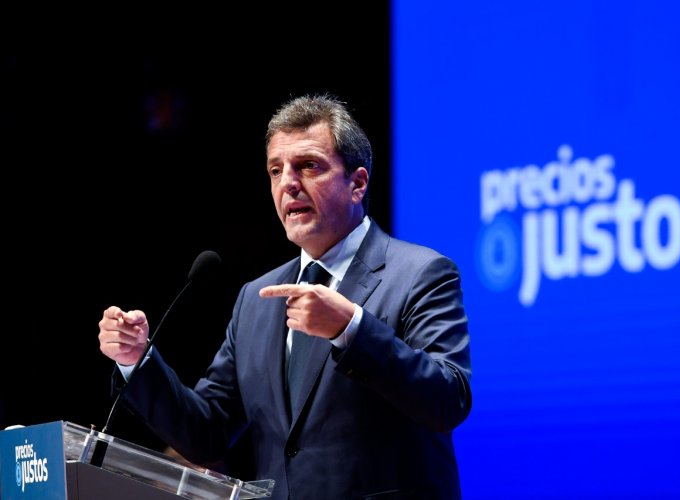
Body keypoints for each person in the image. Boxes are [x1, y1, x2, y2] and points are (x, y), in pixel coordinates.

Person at [98, 93, 472, 500]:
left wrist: (350, 329)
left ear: (358, 184)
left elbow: (449, 400)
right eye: (276, 170)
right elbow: (207, 435)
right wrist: (137, 361)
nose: (288, 183)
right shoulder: (256, 300)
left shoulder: (420, 273)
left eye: (309, 165)